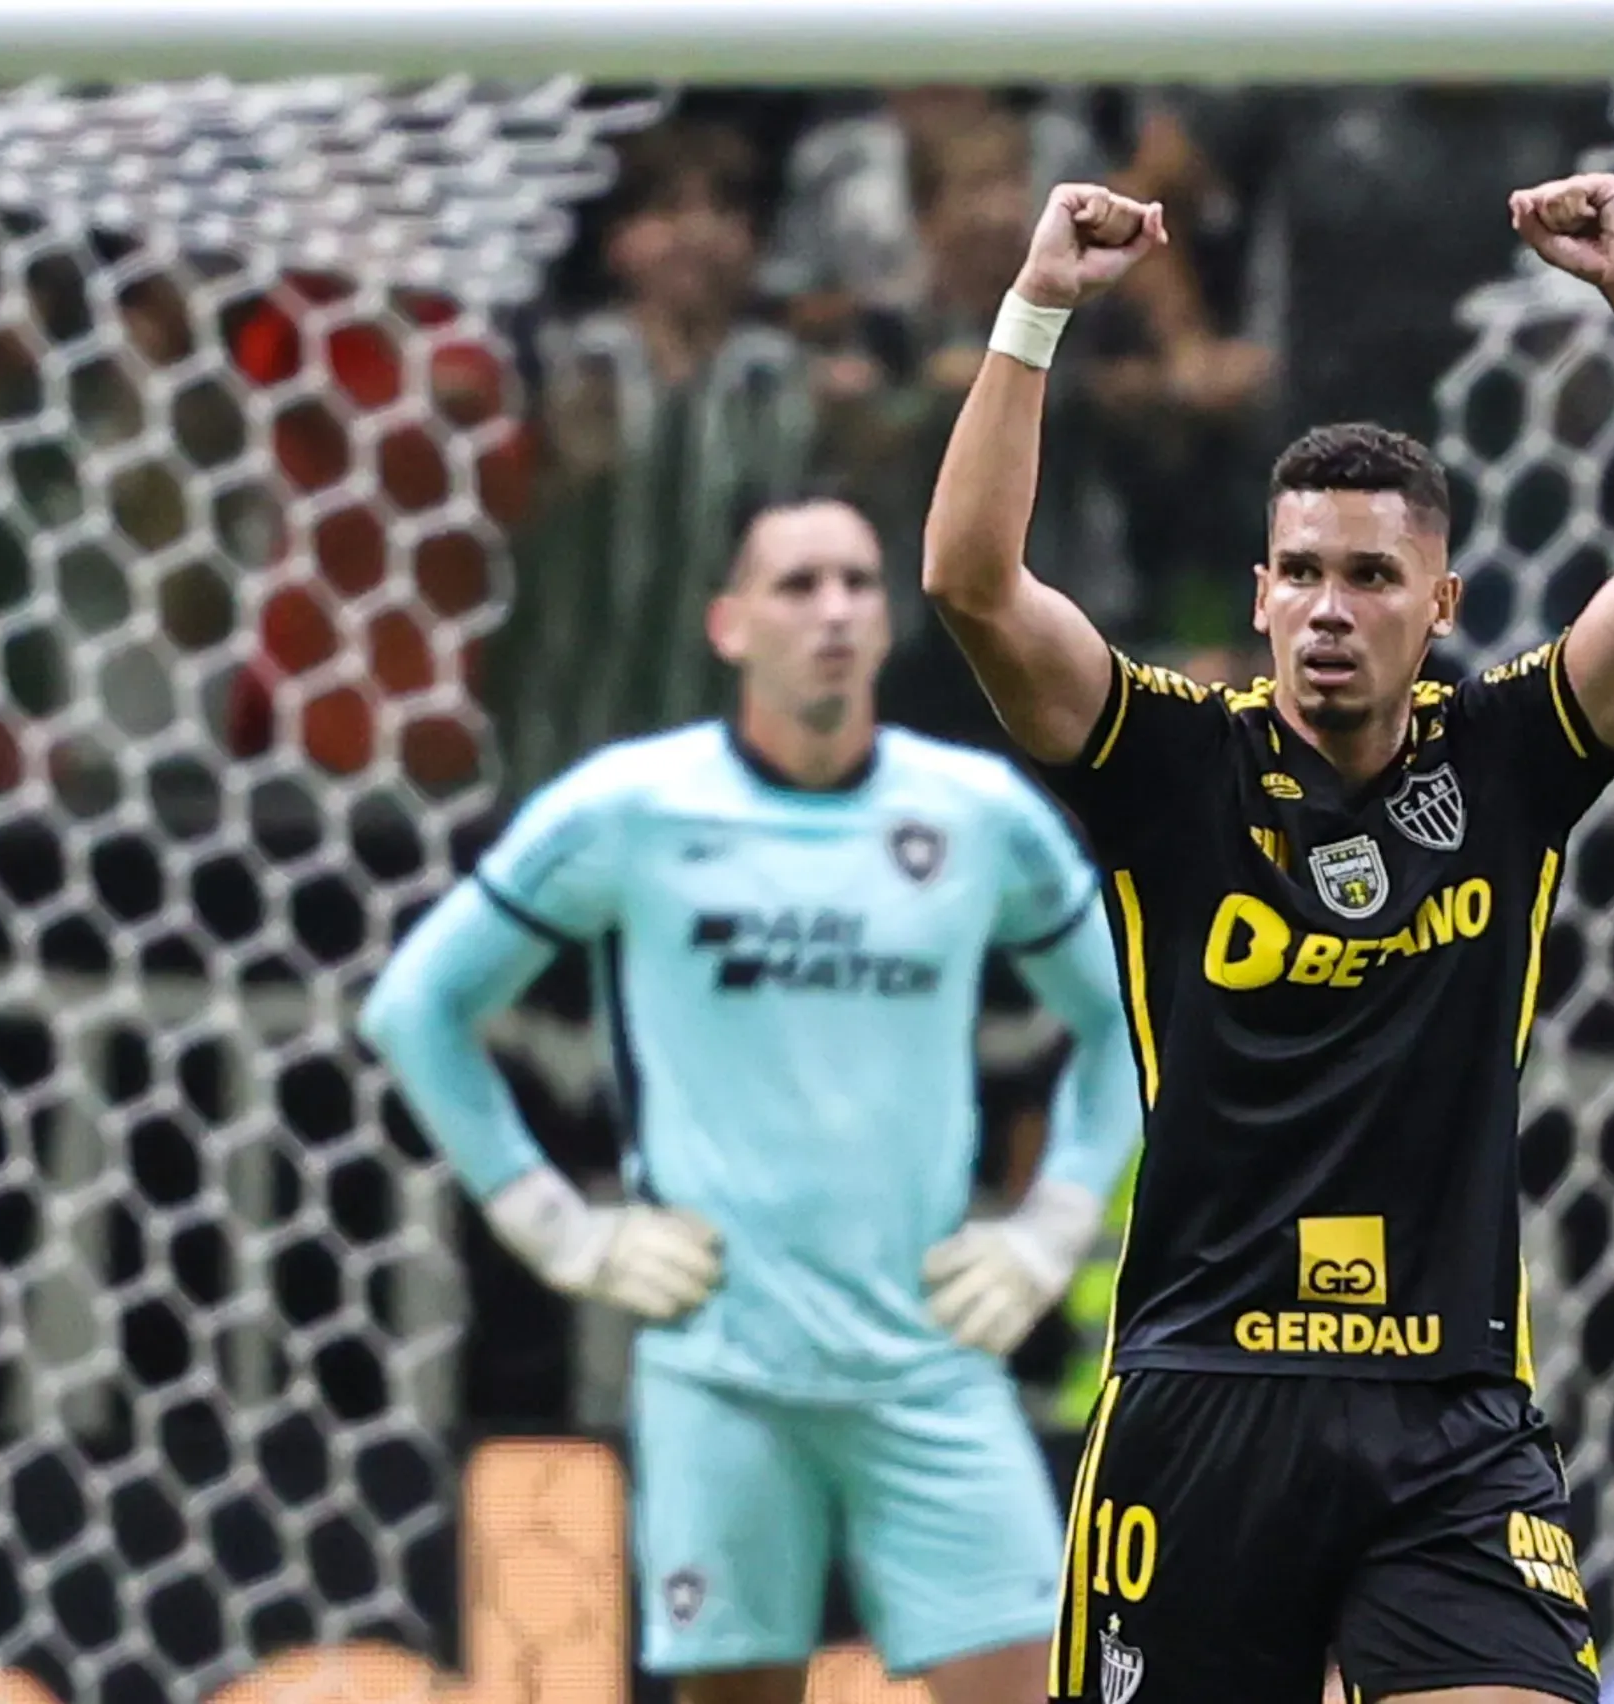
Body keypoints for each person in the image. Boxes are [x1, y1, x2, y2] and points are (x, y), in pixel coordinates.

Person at [922, 173, 1614, 1704]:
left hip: (1447, 1412)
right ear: (1257, 593)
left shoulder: (1509, 758)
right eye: (1300, 572)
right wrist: (1036, 310)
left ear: (1437, 603)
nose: (1327, 608)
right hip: (1202, 1401)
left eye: (1369, 577)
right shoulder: (1173, 764)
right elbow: (974, 585)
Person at [358, 496, 1143, 1704]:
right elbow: (416, 1008)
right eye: (796, 585)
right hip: (722, 1372)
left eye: (855, 583)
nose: (832, 609)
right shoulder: (630, 807)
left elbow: (1135, 1020)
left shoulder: (975, 815)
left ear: (886, 625)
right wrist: (553, 1226)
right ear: (728, 625)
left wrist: (1052, 1230)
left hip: (929, 1366)